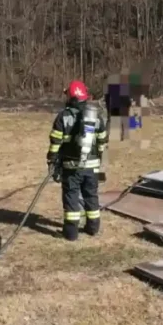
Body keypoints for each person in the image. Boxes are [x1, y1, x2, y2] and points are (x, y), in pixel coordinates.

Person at [46, 80, 109, 241]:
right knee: (91, 196)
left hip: (71, 167)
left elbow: (55, 143)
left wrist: (52, 161)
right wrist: (99, 158)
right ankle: (93, 228)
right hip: (92, 166)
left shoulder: (63, 117)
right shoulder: (96, 116)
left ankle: (71, 233)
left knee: (71, 197)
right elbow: (102, 140)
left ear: (70, 97)